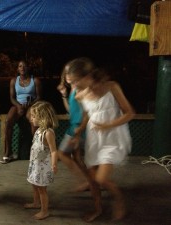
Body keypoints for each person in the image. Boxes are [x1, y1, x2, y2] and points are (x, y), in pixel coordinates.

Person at [69, 57, 135, 221]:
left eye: (76, 81)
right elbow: (87, 115)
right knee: (92, 180)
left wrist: (108, 125)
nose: (74, 86)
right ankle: (97, 209)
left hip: (112, 137)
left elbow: (130, 113)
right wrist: (78, 133)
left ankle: (119, 200)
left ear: (87, 76)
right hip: (94, 138)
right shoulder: (80, 95)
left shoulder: (112, 87)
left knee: (101, 178)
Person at [57, 62, 102, 222]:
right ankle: (87, 183)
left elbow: (88, 113)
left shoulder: (86, 90)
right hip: (75, 127)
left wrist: (80, 131)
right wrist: (63, 94)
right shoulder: (75, 90)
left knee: (62, 154)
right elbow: (70, 110)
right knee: (77, 159)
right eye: (68, 80)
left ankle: (86, 183)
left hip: (80, 130)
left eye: (71, 79)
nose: (69, 82)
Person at [1, 61, 42, 164]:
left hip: (31, 105)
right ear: (17, 69)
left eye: (25, 65)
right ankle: (8, 152)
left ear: (28, 68)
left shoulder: (35, 80)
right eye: (20, 66)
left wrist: (30, 104)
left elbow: (39, 97)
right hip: (17, 104)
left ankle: (35, 153)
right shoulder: (14, 81)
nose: (22, 67)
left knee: (34, 123)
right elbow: (12, 98)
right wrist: (18, 105)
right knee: (8, 121)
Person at [24, 101, 58, 220]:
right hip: (36, 164)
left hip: (43, 167)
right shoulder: (39, 130)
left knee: (42, 189)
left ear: (42, 117)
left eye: (34, 116)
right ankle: (36, 203)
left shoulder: (48, 133)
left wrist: (54, 164)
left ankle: (44, 211)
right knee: (34, 184)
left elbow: (53, 150)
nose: (31, 118)